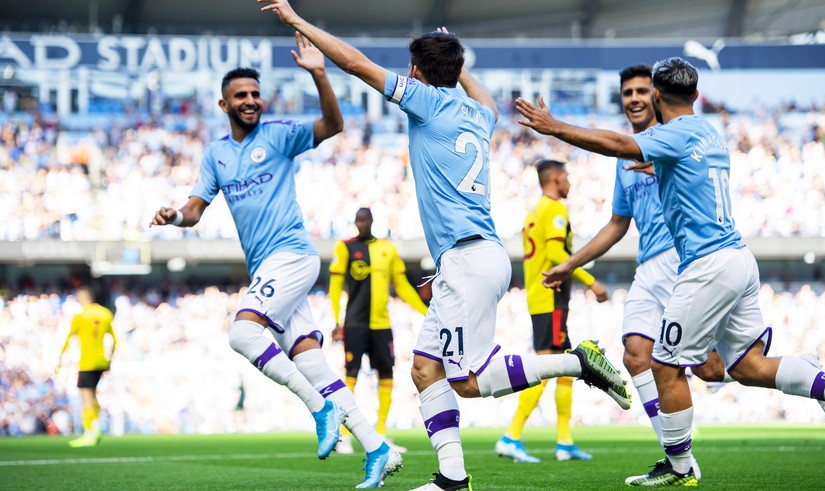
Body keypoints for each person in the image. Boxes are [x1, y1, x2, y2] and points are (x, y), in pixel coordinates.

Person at [258, 3, 631, 489]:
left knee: (468, 381)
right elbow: (490, 102)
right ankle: (453, 477)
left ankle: (576, 363)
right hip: (474, 257)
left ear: (415, 71)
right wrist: (458, 64)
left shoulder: (426, 101)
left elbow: (354, 63)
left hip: (466, 261)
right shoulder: (477, 113)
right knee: (425, 368)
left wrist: (299, 21)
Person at [517, 57, 825, 486]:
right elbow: (673, 167)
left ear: (658, 98)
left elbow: (620, 144)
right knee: (747, 367)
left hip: (707, 265)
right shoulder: (708, 131)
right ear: (697, 96)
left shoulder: (671, 135)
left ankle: (680, 467)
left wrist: (554, 127)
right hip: (737, 259)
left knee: (663, 364)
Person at [151, 35, 401, 489]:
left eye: (254, 94)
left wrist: (320, 73)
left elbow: (334, 124)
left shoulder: (280, 134)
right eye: (240, 96)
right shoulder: (217, 156)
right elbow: (194, 209)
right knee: (313, 364)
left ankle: (319, 408)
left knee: (243, 333)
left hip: (292, 256)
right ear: (223, 104)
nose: (250, 101)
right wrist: (174, 217)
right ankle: (377, 448)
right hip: (269, 269)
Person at [496, 159, 609, 464]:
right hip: (551, 298)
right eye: (567, 177)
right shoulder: (555, 209)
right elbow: (558, 253)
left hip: (542, 297)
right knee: (546, 367)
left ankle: (564, 440)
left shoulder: (534, 212)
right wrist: (591, 281)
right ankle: (511, 436)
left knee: (566, 369)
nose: (569, 182)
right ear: (556, 178)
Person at [330, 207, 429, 454]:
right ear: (355, 222)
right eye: (358, 220)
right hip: (355, 324)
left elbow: (403, 286)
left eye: (365, 220)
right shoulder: (345, 248)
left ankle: (381, 432)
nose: (361, 224)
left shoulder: (387, 249)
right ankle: (343, 435)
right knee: (350, 374)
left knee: (386, 375)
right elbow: (335, 285)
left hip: (382, 325)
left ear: (372, 221)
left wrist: (426, 312)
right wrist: (335, 320)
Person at [57, 286, 116, 448]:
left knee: (86, 397)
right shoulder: (105, 313)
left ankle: (90, 432)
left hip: (87, 362)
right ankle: (95, 426)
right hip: (102, 361)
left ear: (82, 298)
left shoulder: (80, 316)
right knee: (93, 394)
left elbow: (68, 339)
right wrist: (110, 359)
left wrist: (60, 360)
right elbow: (115, 339)